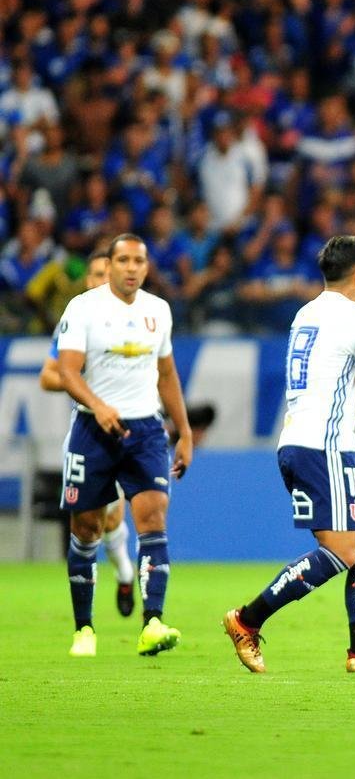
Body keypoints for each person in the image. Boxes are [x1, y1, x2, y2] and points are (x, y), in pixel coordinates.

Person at [223, 235, 355, 674]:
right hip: (323, 448)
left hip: (301, 441)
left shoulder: (305, 313)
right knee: (342, 552)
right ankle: (247, 619)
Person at [55, 234, 194, 657]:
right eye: (124, 260)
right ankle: (84, 629)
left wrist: (184, 431)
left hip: (146, 430)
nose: (132, 268)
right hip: (92, 430)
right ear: (110, 265)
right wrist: (98, 407)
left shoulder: (158, 311)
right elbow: (67, 371)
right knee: (87, 529)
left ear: (147, 267)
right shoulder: (84, 308)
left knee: (153, 518)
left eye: (139, 261)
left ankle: (152, 621)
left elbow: (166, 374)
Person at [39, 250, 136, 620]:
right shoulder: (75, 322)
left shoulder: (135, 319)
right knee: (92, 523)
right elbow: (49, 375)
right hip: (86, 434)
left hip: (127, 433)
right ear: (88, 280)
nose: (98, 279)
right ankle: (96, 607)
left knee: (111, 519)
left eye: (104, 273)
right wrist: (79, 385)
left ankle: (125, 571)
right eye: (93, 274)